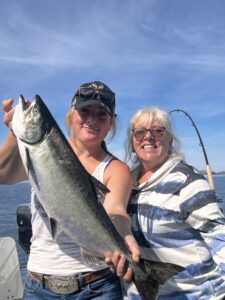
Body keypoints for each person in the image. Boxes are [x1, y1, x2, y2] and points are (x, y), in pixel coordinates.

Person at [0, 81, 140, 300]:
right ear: (71, 115)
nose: (92, 120)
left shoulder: (117, 169)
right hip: (38, 285)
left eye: (101, 114)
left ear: (111, 123)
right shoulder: (42, 150)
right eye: (85, 111)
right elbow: (2, 174)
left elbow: (116, 210)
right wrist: (14, 132)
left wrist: (124, 236)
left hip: (97, 285)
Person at [109, 107, 225, 299]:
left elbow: (219, 237)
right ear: (132, 142)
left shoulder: (187, 181)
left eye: (157, 130)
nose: (148, 137)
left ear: (169, 141)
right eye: (140, 132)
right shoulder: (126, 182)